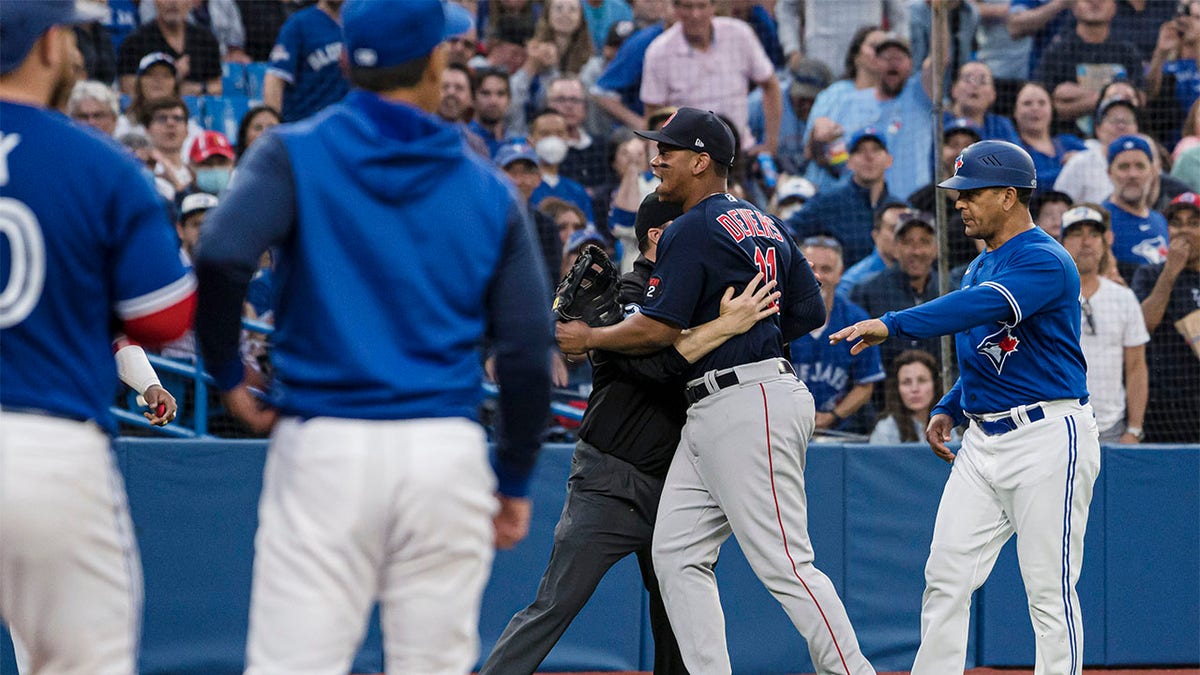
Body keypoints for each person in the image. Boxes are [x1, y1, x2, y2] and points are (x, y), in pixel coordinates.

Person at [192, 1, 553, 671]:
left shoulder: (294, 151)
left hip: (323, 445)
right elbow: (529, 356)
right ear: (436, 59)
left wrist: (227, 373)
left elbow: (219, 255)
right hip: (444, 452)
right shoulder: (488, 185)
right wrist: (513, 479)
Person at [556, 107, 874, 675]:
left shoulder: (691, 226)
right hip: (721, 404)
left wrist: (591, 335)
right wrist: (746, 331)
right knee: (676, 554)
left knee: (786, 562)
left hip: (749, 402)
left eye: (668, 152)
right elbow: (810, 308)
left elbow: (656, 327)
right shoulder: (763, 220)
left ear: (700, 161)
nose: (656, 160)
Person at [830, 139, 1100, 674]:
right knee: (946, 575)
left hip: (1047, 436)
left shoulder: (1044, 257)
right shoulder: (981, 264)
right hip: (982, 441)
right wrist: (952, 405)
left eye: (970, 193)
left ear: (1007, 195)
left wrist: (895, 322)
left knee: (1048, 589)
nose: (959, 203)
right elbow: (984, 347)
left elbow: (982, 307)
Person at [481, 194, 780, 675]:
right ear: (660, 236)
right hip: (611, 479)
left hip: (679, 484)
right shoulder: (624, 294)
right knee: (555, 604)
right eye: (691, 230)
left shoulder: (692, 298)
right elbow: (658, 367)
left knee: (678, 615)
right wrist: (723, 326)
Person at [0, 2, 196, 672]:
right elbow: (164, 317)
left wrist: (142, 381)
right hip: (48, 446)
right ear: (48, 44)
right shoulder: (96, 162)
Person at [1059, 203, 1149, 444]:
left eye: (1094, 234)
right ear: (1062, 243)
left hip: (1111, 427)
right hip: (1057, 426)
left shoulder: (1123, 297)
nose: (1086, 242)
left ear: (1104, 242)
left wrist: (1134, 429)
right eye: (1077, 233)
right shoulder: (1046, 297)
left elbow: (1136, 366)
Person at [790, 236, 885, 434]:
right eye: (811, 269)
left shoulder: (855, 320)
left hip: (838, 432)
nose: (818, 276)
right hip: (785, 426)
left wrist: (833, 415)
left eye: (826, 269)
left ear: (840, 274)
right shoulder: (781, 317)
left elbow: (866, 385)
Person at [1132, 191, 1200, 443]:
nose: (1184, 231)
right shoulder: (1149, 274)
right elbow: (1143, 326)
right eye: (1176, 223)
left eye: (1194, 224)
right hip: (1163, 411)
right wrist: (1170, 272)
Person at [263, 0, 350, 123]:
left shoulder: (358, 23)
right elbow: (275, 77)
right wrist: (271, 123)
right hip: (305, 124)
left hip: (346, 126)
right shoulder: (299, 24)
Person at [116, 0, 222, 96]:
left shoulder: (206, 40)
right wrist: (175, 78)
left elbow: (217, 88)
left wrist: (167, 88)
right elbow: (129, 89)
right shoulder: (135, 42)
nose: (173, 2)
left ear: (191, 2)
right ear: (155, 2)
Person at [868, 349, 957, 444]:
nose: (914, 389)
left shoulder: (947, 425)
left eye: (922, 380)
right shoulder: (885, 431)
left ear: (935, 385)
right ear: (897, 388)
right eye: (906, 382)